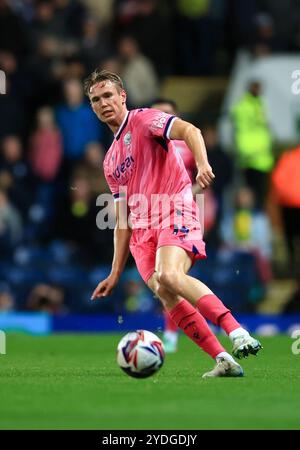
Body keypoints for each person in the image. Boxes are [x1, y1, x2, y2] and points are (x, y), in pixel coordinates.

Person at [86, 69, 262, 378]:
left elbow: (190, 131)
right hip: (141, 234)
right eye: (95, 99)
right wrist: (114, 272)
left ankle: (237, 332)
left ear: (122, 96)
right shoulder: (110, 160)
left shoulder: (142, 120)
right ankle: (222, 359)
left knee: (169, 274)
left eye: (108, 95)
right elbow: (123, 218)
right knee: (165, 291)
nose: (103, 103)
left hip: (173, 210)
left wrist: (203, 164)